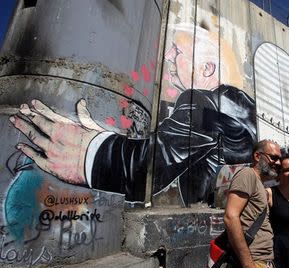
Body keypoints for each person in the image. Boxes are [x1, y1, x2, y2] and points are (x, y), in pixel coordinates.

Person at [8, 24, 256, 206]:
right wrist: (105, 137)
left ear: (207, 68)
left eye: (177, 52)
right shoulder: (230, 109)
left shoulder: (210, 104)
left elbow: (153, 163)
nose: (168, 56)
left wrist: (95, 153)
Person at [224, 140, 281, 268]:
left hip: (264, 266)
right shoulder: (247, 174)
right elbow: (230, 217)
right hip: (254, 265)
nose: (278, 162)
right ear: (257, 156)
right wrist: (248, 266)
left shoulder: (260, 184)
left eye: (279, 159)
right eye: (274, 157)